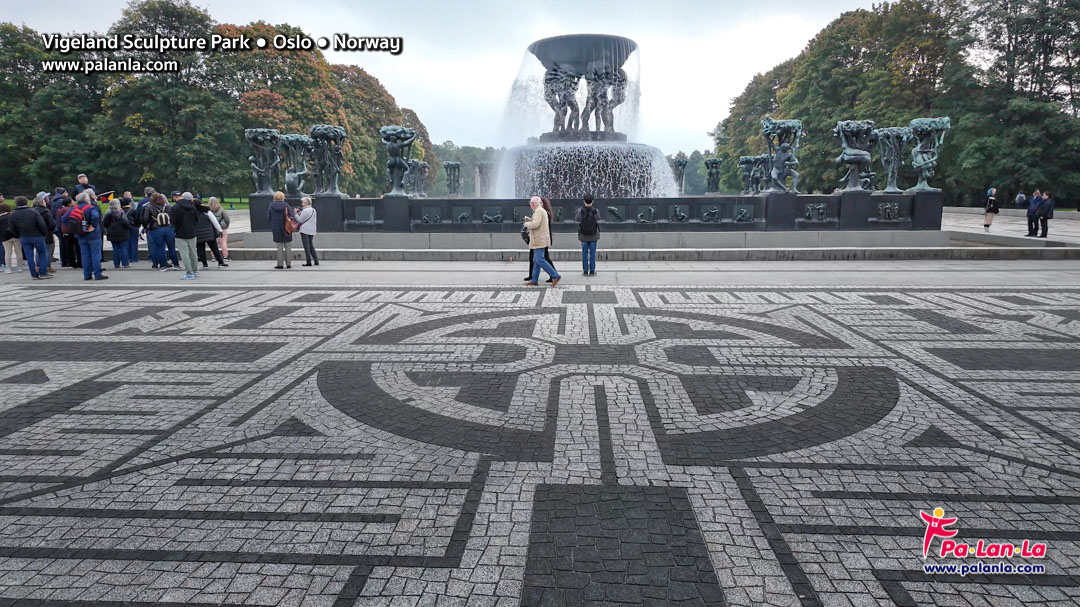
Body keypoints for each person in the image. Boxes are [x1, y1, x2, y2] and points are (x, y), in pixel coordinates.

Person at [8, 196, 51, 280]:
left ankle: (33, 274)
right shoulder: (33, 212)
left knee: (29, 256)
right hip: (37, 235)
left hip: (24, 236)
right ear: (27, 202)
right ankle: (42, 272)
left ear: (16, 203)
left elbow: (12, 227)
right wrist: (44, 233)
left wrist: (17, 235)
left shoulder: (13, 214)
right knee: (42, 253)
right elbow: (41, 224)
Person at [524, 195, 560, 286]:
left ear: (532, 204)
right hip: (540, 238)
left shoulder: (539, 211)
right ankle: (534, 279)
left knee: (540, 260)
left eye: (530, 204)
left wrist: (527, 223)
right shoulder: (541, 210)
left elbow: (536, 224)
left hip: (539, 239)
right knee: (536, 260)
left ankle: (555, 275)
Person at [72, 191, 107, 281]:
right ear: (87, 199)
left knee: (85, 255)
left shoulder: (74, 208)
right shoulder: (91, 208)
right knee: (95, 255)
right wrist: (93, 226)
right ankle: (97, 274)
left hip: (80, 234)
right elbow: (95, 217)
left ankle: (87, 275)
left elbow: (64, 218)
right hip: (93, 235)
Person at [169, 192, 201, 280]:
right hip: (192, 232)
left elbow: (173, 221)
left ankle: (189, 272)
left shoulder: (175, 208)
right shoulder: (192, 206)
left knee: (184, 254)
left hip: (180, 233)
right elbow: (197, 219)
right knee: (193, 253)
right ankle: (195, 271)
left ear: (175, 197)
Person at [142, 193, 178, 270]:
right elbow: (173, 217)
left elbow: (146, 218)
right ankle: (176, 264)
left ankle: (163, 265)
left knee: (160, 248)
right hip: (169, 228)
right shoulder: (168, 206)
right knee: (172, 247)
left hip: (156, 229)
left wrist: (148, 225)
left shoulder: (149, 207)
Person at [268, 191, 298, 269]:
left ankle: (280, 264)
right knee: (288, 246)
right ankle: (288, 264)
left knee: (279, 246)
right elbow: (291, 216)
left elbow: (269, 217)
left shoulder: (271, 205)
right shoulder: (286, 205)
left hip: (276, 228)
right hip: (286, 228)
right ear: (282, 197)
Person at [194, 197, 226, 268]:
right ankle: (220, 262)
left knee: (200, 249)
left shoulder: (192, 211)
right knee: (214, 248)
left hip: (198, 234)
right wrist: (220, 230)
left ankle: (205, 264)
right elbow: (214, 220)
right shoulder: (206, 210)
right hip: (209, 233)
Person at [575, 193, 600, 276]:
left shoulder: (580, 211)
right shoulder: (595, 210)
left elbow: (577, 219)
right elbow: (598, 218)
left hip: (583, 235)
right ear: (592, 202)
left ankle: (585, 271)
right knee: (592, 253)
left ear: (584, 201)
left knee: (584, 253)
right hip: (593, 235)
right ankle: (592, 271)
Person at [32, 194, 57, 274]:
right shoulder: (46, 211)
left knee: (38, 251)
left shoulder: (32, 211)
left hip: (35, 233)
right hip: (47, 233)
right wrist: (51, 230)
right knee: (47, 251)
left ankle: (38, 266)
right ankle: (46, 266)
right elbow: (52, 224)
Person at [103, 198, 131, 268]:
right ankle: (125, 263)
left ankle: (116, 264)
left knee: (115, 248)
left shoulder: (107, 213)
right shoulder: (121, 212)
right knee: (123, 248)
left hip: (112, 232)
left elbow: (104, 223)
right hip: (122, 232)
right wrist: (128, 227)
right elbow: (126, 222)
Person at [57, 198, 81, 269]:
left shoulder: (60, 210)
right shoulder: (71, 209)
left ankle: (71, 263)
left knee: (68, 247)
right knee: (77, 247)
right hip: (72, 229)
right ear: (69, 203)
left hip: (64, 230)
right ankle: (79, 262)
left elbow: (59, 220)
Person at [297, 196, 319, 266]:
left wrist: (295, 214)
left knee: (306, 246)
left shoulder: (305, 210)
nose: (302, 203)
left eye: (303, 202)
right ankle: (316, 260)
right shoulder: (313, 210)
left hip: (305, 230)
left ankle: (308, 261)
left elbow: (300, 220)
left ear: (306, 203)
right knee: (311, 245)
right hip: (312, 229)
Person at [0, 202, 20, 274]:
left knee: (8, 252)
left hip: (5, 237)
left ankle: (8, 268)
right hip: (15, 235)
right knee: (18, 252)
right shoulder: (12, 215)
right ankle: (19, 267)